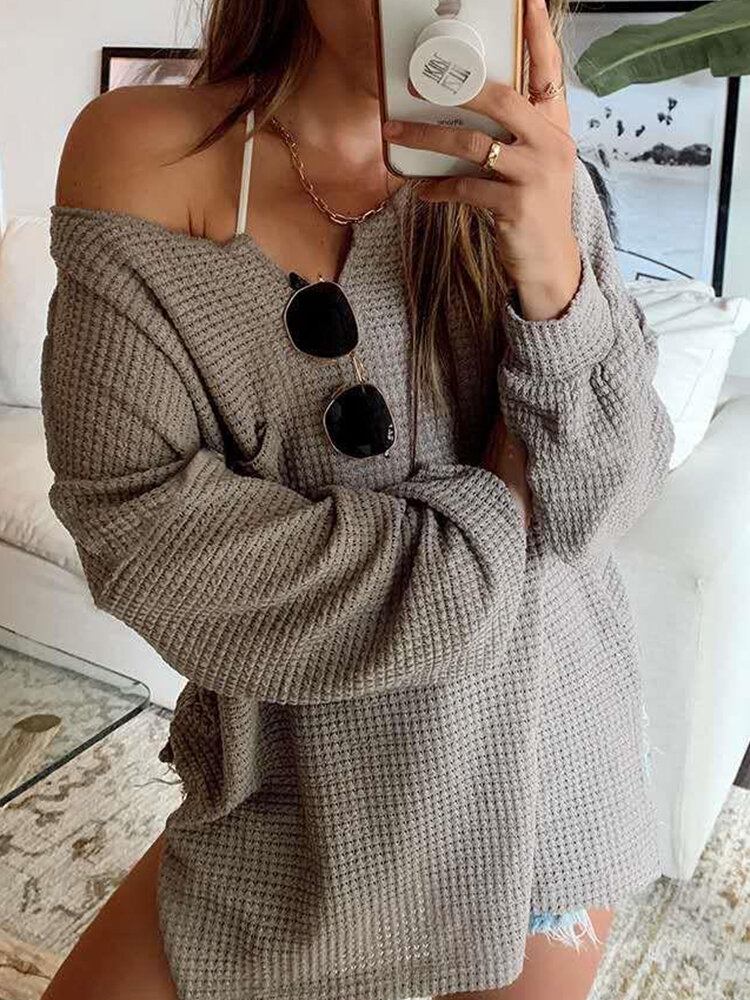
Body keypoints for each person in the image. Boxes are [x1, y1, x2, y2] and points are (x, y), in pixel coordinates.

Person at [39, 1, 675, 998]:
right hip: (290, 810)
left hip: (534, 790)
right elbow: (143, 540)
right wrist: (491, 530)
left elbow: (600, 507)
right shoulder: (143, 153)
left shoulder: (532, 169)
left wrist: (551, 266)